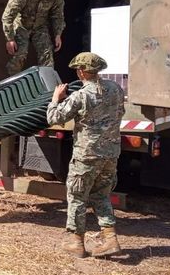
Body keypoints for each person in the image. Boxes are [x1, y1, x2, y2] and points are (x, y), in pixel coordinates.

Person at [46, 52, 125, 258]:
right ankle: (110, 239)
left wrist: (55, 98)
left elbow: (54, 118)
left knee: (77, 197)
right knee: (101, 195)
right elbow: (120, 113)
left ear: (81, 72)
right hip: (110, 154)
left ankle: (76, 242)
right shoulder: (116, 89)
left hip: (86, 156)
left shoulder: (81, 95)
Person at [1, 0, 67, 75]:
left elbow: (58, 15)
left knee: (47, 54)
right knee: (19, 54)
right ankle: (13, 82)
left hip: (40, 27)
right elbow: (8, 15)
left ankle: (46, 83)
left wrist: (58, 34)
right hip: (22, 25)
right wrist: (10, 38)